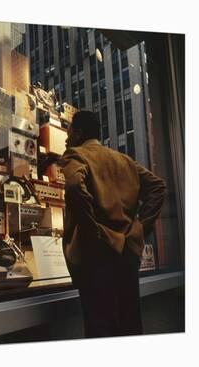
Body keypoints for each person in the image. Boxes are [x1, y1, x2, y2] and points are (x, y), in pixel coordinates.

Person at [59, 110, 166, 338]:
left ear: (78, 133)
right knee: (130, 327)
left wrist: (92, 231)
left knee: (100, 330)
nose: (66, 138)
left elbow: (75, 188)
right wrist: (139, 228)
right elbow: (158, 187)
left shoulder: (75, 155)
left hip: (96, 256)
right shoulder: (124, 160)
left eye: (68, 131)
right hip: (127, 254)